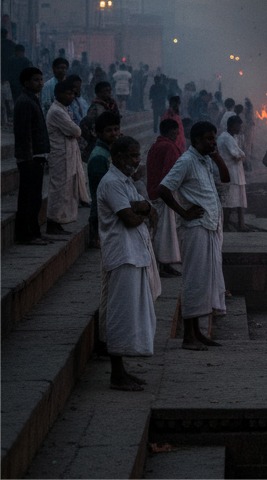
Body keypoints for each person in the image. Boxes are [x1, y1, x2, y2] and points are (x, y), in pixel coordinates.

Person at [158, 121, 229, 351]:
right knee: (194, 281)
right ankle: (188, 337)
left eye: (214, 138)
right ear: (195, 140)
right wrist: (184, 212)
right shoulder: (186, 161)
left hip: (209, 227)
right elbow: (163, 189)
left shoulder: (205, 160)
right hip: (195, 228)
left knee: (206, 281)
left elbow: (226, 178)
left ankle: (198, 332)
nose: (213, 142)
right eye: (208, 139)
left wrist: (216, 156)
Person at [97, 135, 159, 391]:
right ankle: (116, 375)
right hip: (122, 255)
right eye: (133, 156)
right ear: (120, 157)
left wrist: (142, 207)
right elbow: (131, 219)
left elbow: (148, 208)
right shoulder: (111, 183)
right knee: (121, 314)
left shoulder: (126, 182)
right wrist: (143, 210)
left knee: (132, 314)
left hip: (134, 254)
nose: (137, 160)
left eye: (137, 155)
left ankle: (123, 370)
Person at [13, 67, 52, 245]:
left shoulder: (32, 99)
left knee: (35, 198)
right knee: (28, 198)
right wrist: (27, 158)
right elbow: (23, 134)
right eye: (36, 80)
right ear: (26, 83)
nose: (40, 83)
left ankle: (34, 232)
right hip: (30, 158)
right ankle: (25, 234)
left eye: (41, 79)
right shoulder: (24, 102)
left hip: (36, 156)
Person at [45, 82, 87, 235]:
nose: (72, 97)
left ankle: (59, 221)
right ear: (58, 94)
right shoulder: (57, 111)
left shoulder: (63, 110)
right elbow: (75, 130)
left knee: (64, 189)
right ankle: (52, 222)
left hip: (66, 153)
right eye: (68, 93)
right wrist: (76, 130)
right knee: (58, 189)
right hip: (60, 155)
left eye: (73, 94)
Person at [146, 119, 184, 277]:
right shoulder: (168, 147)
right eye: (176, 132)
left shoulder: (155, 145)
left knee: (164, 230)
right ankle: (161, 265)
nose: (177, 135)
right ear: (170, 132)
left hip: (155, 191)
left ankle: (166, 264)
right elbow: (171, 172)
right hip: (164, 193)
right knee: (164, 231)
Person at [87, 110, 123, 247]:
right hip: (102, 216)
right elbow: (103, 191)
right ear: (99, 133)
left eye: (116, 129)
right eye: (109, 130)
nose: (114, 133)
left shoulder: (110, 152)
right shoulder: (99, 157)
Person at [218, 116, 247, 231]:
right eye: (239, 126)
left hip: (234, 174)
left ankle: (238, 224)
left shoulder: (228, 137)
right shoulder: (226, 138)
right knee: (229, 202)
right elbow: (237, 155)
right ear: (233, 126)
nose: (240, 128)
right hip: (231, 174)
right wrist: (242, 156)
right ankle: (227, 225)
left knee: (235, 201)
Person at [0, 27, 16, 124]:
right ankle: (12, 118)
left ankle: (3, 120)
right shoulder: (12, 46)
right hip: (10, 77)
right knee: (10, 101)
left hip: (1, 77)